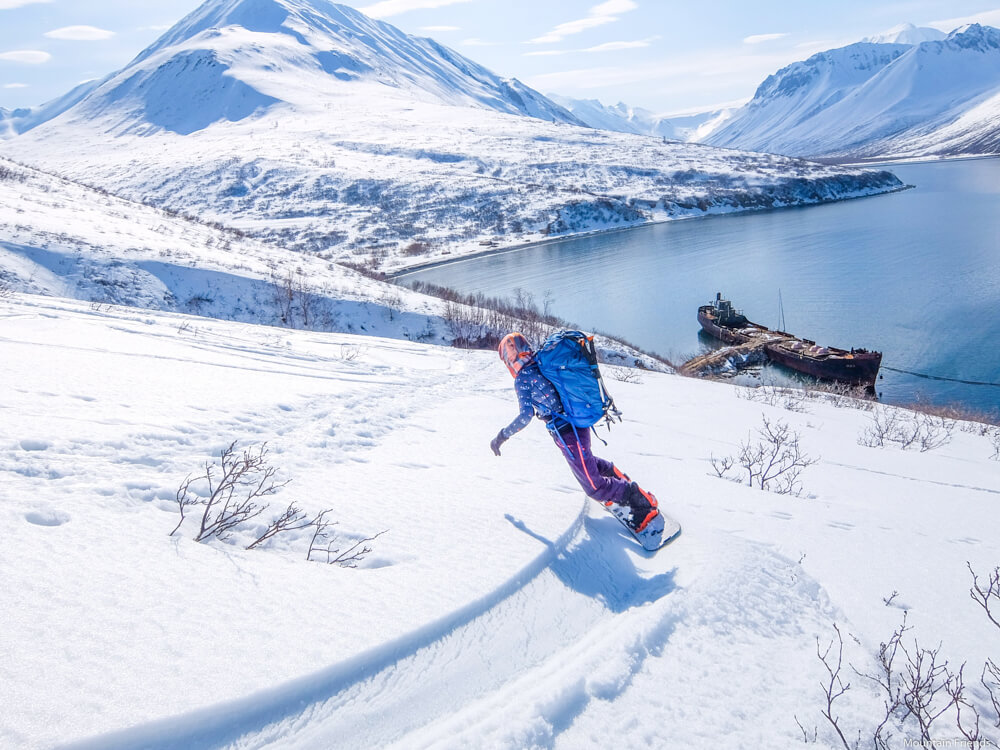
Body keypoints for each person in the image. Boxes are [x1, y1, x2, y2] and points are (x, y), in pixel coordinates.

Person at [489, 331, 659, 533]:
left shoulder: (522, 379)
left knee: (593, 487)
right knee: (586, 461)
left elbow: (525, 415)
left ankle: (642, 503)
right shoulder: (541, 362)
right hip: (576, 420)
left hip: (567, 432)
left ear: (509, 358)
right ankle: (616, 477)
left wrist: (502, 436)